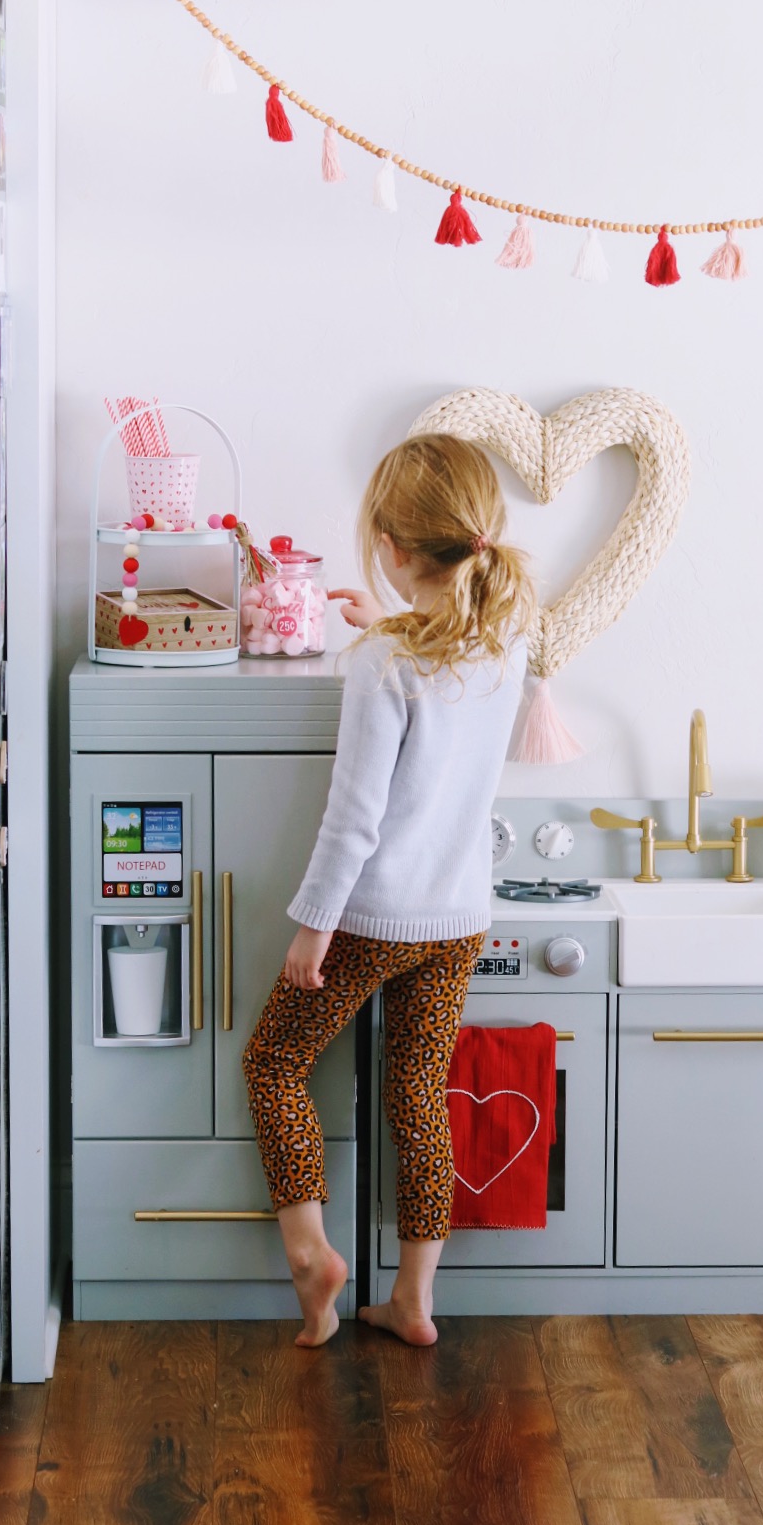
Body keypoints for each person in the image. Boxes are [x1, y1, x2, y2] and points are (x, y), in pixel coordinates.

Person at [242, 433, 535, 1348]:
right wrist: (387, 626)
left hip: (375, 913)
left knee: (273, 1064)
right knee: (417, 1092)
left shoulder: (381, 666)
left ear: (396, 548)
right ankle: (413, 1299)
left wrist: (312, 927)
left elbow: (355, 818)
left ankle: (310, 1254)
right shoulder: (505, 639)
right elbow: (443, 701)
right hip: (457, 916)